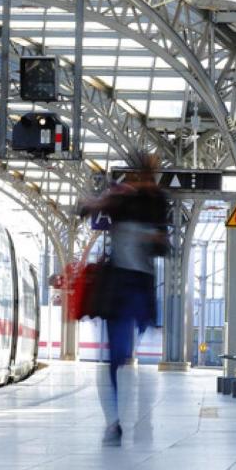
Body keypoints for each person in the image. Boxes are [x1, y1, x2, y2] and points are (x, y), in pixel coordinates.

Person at [79, 152, 168, 445]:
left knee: (123, 357)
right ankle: (115, 422)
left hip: (135, 287)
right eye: (145, 175)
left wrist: (155, 240)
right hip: (122, 289)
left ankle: (124, 420)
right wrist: (98, 200)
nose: (147, 182)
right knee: (118, 357)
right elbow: (86, 208)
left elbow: (163, 245)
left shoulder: (154, 201)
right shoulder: (123, 198)